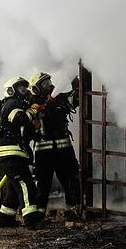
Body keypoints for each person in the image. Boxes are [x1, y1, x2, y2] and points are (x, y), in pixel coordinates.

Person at [27, 72, 82, 220]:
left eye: (49, 82)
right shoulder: (31, 103)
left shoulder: (60, 98)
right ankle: (39, 215)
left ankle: (71, 211)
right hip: (43, 152)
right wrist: (38, 110)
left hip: (64, 150)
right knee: (43, 184)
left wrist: (75, 83)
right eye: (44, 84)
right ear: (36, 88)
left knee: (71, 179)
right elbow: (26, 123)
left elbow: (76, 98)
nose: (50, 86)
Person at [0, 76, 44, 229]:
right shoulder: (12, 103)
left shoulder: (17, 104)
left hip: (13, 153)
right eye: (21, 88)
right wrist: (32, 111)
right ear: (11, 90)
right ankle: (32, 220)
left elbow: (24, 130)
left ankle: (6, 219)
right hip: (10, 154)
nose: (25, 91)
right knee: (25, 185)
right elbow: (19, 119)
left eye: (25, 88)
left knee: (14, 190)